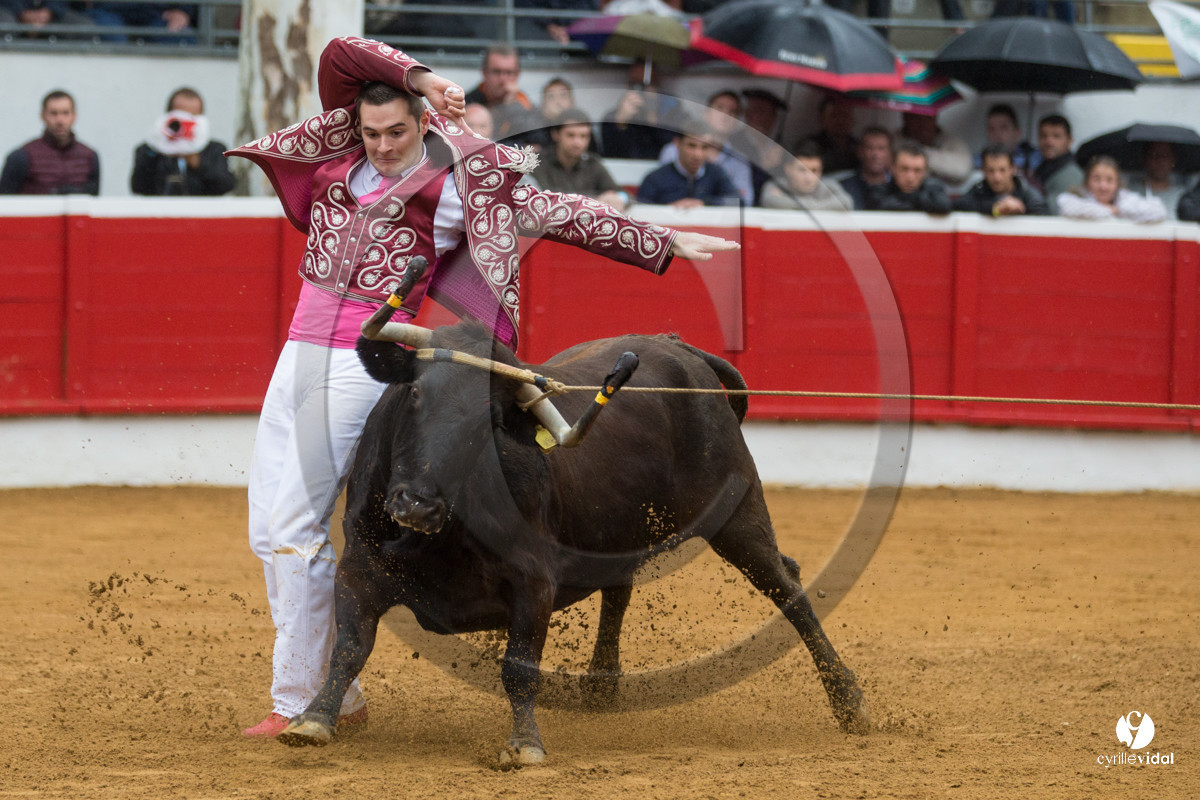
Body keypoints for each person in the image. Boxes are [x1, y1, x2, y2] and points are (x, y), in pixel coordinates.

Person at [226, 35, 738, 739]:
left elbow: (555, 210)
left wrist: (653, 240)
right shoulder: (342, 149)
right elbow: (343, 52)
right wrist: (423, 76)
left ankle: (303, 697)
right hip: (296, 353)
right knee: (268, 532)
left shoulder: (457, 180)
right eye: (371, 132)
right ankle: (332, 694)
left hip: (358, 357)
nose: (381, 145)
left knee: (294, 530)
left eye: (397, 132)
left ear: (424, 125)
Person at [130, 87, 236, 196]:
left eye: (192, 116)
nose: (186, 123)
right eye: (181, 115)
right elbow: (138, 186)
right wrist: (158, 148)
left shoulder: (214, 150)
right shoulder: (149, 150)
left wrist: (197, 163)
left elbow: (225, 185)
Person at [658, 90, 754, 204]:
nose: (725, 115)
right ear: (706, 113)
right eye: (719, 108)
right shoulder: (674, 150)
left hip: (719, 221)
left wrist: (706, 203)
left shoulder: (739, 160)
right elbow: (662, 192)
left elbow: (744, 202)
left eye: (733, 112)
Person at [0, 89, 99, 195]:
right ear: (43, 116)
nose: (60, 120)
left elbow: (93, 200)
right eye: (53, 113)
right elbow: (5, 203)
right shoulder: (21, 157)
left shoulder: (89, 157)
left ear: (74, 116)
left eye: (65, 113)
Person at [531, 109, 628, 212]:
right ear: (556, 135)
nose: (578, 143)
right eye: (571, 135)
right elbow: (543, 200)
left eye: (583, 136)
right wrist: (593, 202)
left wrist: (619, 199)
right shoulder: (537, 162)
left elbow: (624, 195)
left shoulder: (592, 164)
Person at [637, 120, 742, 208]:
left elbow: (738, 202)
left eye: (704, 147)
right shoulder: (655, 179)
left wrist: (704, 203)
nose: (698, 154)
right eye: (692, 146)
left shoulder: (716, 173)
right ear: (677, 144)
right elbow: (640, 212)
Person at [1057, 155, 1166, 223]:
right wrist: (1110, 210)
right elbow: (1068, 207)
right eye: (1096, 179)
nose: (1103, 186)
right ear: (1087, 181)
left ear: (1117, 184)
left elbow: (1158, 211)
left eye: (1109, 180)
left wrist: (1120, 210)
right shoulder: (1073, 198)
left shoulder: (1124, 199)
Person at [463, 45, 536, 143]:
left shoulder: (525, 104)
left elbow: (535, 141)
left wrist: (512, 106)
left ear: (517, 75)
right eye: (496, 72)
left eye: (509, 72)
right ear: (484, 72)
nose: (503, 79)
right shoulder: (465, 103)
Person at [954, 144, 1048, 216]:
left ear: (1013, 169)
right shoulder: (979, 189)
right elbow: (958, 205)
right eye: (991, 171)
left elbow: (1043, 218)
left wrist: (1020, 212)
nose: (997, 177)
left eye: (1002, 170)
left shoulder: (1029, 195)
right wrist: (996, 208)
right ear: (982, 171)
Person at [759, 141, 852, 211]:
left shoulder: (829, 186)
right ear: (788, 169)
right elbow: (769, 200)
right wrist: (824, 205)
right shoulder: (776, 185)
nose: (809, 178)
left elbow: (846, 202)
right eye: (802, 170)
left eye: (814, 170)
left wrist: (807, 206)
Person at [867, 144, 952, 214]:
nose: (910, 177)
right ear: (892, 168)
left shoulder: (933, 188)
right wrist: (921, 202)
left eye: (917, 171)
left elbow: (944, 205)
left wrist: (910, 198)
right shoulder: (878, 191)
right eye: (904, 169)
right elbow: (882, 205)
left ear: (925, 172)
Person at [895, 111, 972, 189]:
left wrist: (922, 153)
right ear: (905, 119)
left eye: (926, 119)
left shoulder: (952, 143)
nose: (921, 124)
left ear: (934, 118)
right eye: (915, 119)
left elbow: (961, 171)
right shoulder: (894, 141)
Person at [599, 82, 673, 161]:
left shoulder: (665, 115)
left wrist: (652, 116)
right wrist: (621, 120)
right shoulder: (613, 116)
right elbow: (609, 149)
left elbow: (670, 149)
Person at [1031, 114, 1083, 215]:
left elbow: (1051, 210)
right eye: (1043, 136)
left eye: (1056, 136)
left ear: (1069, 140)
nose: (1049, 142)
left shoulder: (1070, 175)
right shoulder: (1042, 168)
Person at [1128, 141, 1188, 220]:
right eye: (1154, 155)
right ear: (1145, 159)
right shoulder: (1129, 194)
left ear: (1173, 159)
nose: (1160, 160)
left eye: (1165, 155)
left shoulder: (1185, 196)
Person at [839, 126, 892, 210]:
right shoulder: (844, 187)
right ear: (860, 152)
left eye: (881, 149)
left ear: (890, 153)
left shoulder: (899, 187)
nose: (875, 155)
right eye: (870, 148)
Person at [802, 96, 858, 175]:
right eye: (834, 115)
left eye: (845, 115)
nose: (840, 120)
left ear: (852, 119)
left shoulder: (858, 147)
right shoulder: (811, 146)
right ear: (822, 119)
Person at [976, 104, 1038, 174]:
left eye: (1003, 128)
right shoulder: (978, 160)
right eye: (991, 128)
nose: (997, 133)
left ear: (1017, 132)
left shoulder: (1033, 158)